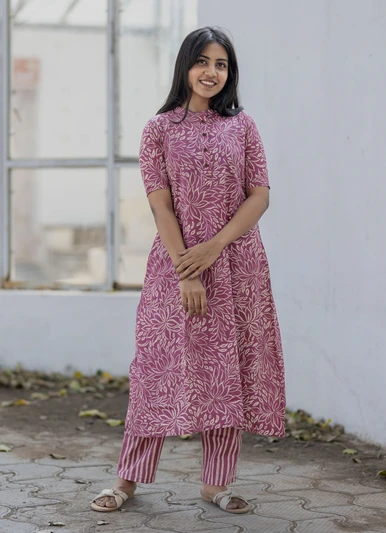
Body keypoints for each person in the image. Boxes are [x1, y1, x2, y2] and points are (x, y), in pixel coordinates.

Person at [91, 26, 286, 515]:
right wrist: (188, 270)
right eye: (202, 61)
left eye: (221, 64)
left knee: (227, 370)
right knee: (158, 368)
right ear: (185, 66)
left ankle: (216, 483)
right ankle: (126, 480)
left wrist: (215, 247)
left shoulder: (243, 126)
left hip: (236, 264)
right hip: (176, 264)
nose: (211, 72)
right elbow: (160, 204)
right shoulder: (159, 129)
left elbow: (259, 195)